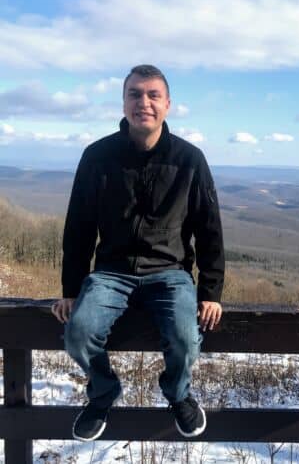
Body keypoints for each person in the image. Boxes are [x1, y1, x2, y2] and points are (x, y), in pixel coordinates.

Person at [51, 64, 225, 442]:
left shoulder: (189, 159)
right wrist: (70, 289)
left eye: (152, 95)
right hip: (111, 272)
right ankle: (103, 393)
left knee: (183, 337)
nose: (142, 102)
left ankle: (178, 395)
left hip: (170, 271)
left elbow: (208, 227)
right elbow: (78, 226)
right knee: (78, 333)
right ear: (123, 101)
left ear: (167, 105)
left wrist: (211, 292)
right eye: (134, 94)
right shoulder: (97, 156)